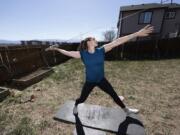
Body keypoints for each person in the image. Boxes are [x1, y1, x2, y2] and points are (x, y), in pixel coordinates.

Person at [46, 24, 154, 115]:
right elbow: (68, 53)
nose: (95, 39)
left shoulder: (101, 50)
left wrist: (136, 34)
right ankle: (76, 105)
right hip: (90, 82)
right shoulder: (82, 54)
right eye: (93, 39)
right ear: (88, 42)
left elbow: (118, 41)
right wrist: (56, 48)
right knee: (82, 99)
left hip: (101, 80)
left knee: (114, 94)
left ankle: (126, 110)